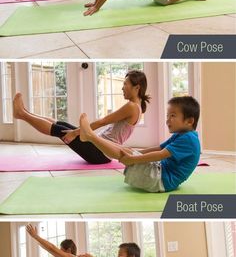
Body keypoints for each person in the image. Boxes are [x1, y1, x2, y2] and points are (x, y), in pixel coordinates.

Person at [12, 68, 150, 167]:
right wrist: (76, 132)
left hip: (100, 154)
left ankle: (22, 114)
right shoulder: (136, 107)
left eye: (125, 84)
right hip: (100, 150)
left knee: (60, 130)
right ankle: (24, 112)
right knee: (62, 124)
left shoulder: (132, 107)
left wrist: (75, 132)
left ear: (136, 88)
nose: (122, 88)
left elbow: (103, 121)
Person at [73, 95, 201, 197]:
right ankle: (89, 136)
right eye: (167, 116)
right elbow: (159, 148)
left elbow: (161, 155)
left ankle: (90, 136)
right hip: (160, 174)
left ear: (189, 121)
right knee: (126, 151)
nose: (167, 120)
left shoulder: (188, 139)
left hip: (159, 180)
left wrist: (133, 159)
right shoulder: (183, 135)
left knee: (124, 154)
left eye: (173, 116)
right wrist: (135, 153)